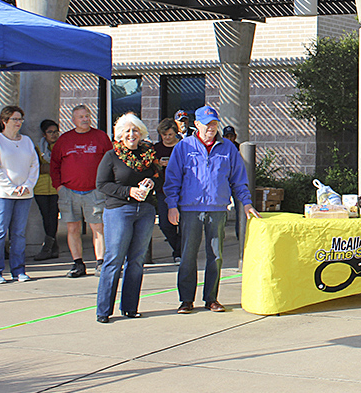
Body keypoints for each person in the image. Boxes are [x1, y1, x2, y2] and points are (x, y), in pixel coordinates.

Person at [164, 105, 259, 314]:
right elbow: (172, 179)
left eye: (214, 124)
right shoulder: (183, 147)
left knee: (215, 255)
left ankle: (211, 298)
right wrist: (172, 205)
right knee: (188, 255)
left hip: (217, 209)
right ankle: (186, 299)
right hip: (190, 209)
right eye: (207, 124)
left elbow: (238, 180)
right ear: (196, 125)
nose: (211, 128)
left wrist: (247, 203)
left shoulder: (229, 149)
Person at [94, 113, 159, 323]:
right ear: (120, 134)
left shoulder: (149, 154)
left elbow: (160, 176)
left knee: (137, 260)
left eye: (135, 130)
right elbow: (102, 185)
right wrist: (129, 191)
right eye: (127, 131)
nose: (132, 134)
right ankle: (104, 309)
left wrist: (151, 182)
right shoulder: (112, 156)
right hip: (119, 210)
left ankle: (130, 307)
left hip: (146, 210)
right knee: (114, 259)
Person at [50, 104, 113, 278]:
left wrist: (105, 185)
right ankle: (78, 263)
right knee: (72, 228)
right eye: (81, 117)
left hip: (95, 191)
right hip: (69, 191)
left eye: (87, 116)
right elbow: (54, 164)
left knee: (98, 227)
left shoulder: (100, 137)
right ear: (73, 120)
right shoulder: (64, 140)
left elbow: (110, 161)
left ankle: (100, 262)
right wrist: (59, 186)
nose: (85, 119)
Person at [0, 106, 40, 284]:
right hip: (1, 195)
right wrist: (10, 188)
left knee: (18, 233)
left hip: (24, 195)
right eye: (15, 119)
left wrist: (27, 185)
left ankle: (18, 270)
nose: (18, 123)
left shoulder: (27, 141)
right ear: (4, 121)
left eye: (20, 119)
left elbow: (34, 165)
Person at [153, 118, 183, 262]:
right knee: (164, 224)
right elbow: (150, 167)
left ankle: (179, 252)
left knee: (183, 224)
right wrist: (159, 163)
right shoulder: (156, 149)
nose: (167, 137)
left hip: (182, 190)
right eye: (164, 135)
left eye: (170, 134)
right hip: (162, 190)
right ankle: (178, 248)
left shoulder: (182, 146)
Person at [32, 119, 61, 261]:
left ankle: (48, 247)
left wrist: (49, 169)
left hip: (57, 188)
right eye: (50, 132)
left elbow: (63, 166)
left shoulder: (61, 146)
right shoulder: (38, 148)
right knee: (46, 217)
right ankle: (53, 247)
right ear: (44, 134)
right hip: (41, 188)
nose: (54, 135)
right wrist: (53, 169)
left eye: (56, 131)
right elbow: (36, 167)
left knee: (53, 217)